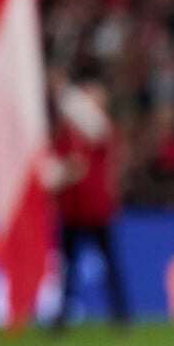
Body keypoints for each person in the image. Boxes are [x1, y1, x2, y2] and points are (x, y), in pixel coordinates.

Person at [48, 80, 129, 330]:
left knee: (109, 263)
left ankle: (120, 314)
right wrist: (65, 171)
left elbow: (104, 145)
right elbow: (54, 163)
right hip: (72, 208)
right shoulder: (67, 133)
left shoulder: (103, 129)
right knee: (67, 267)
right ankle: (62, 314)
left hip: (96, 209)